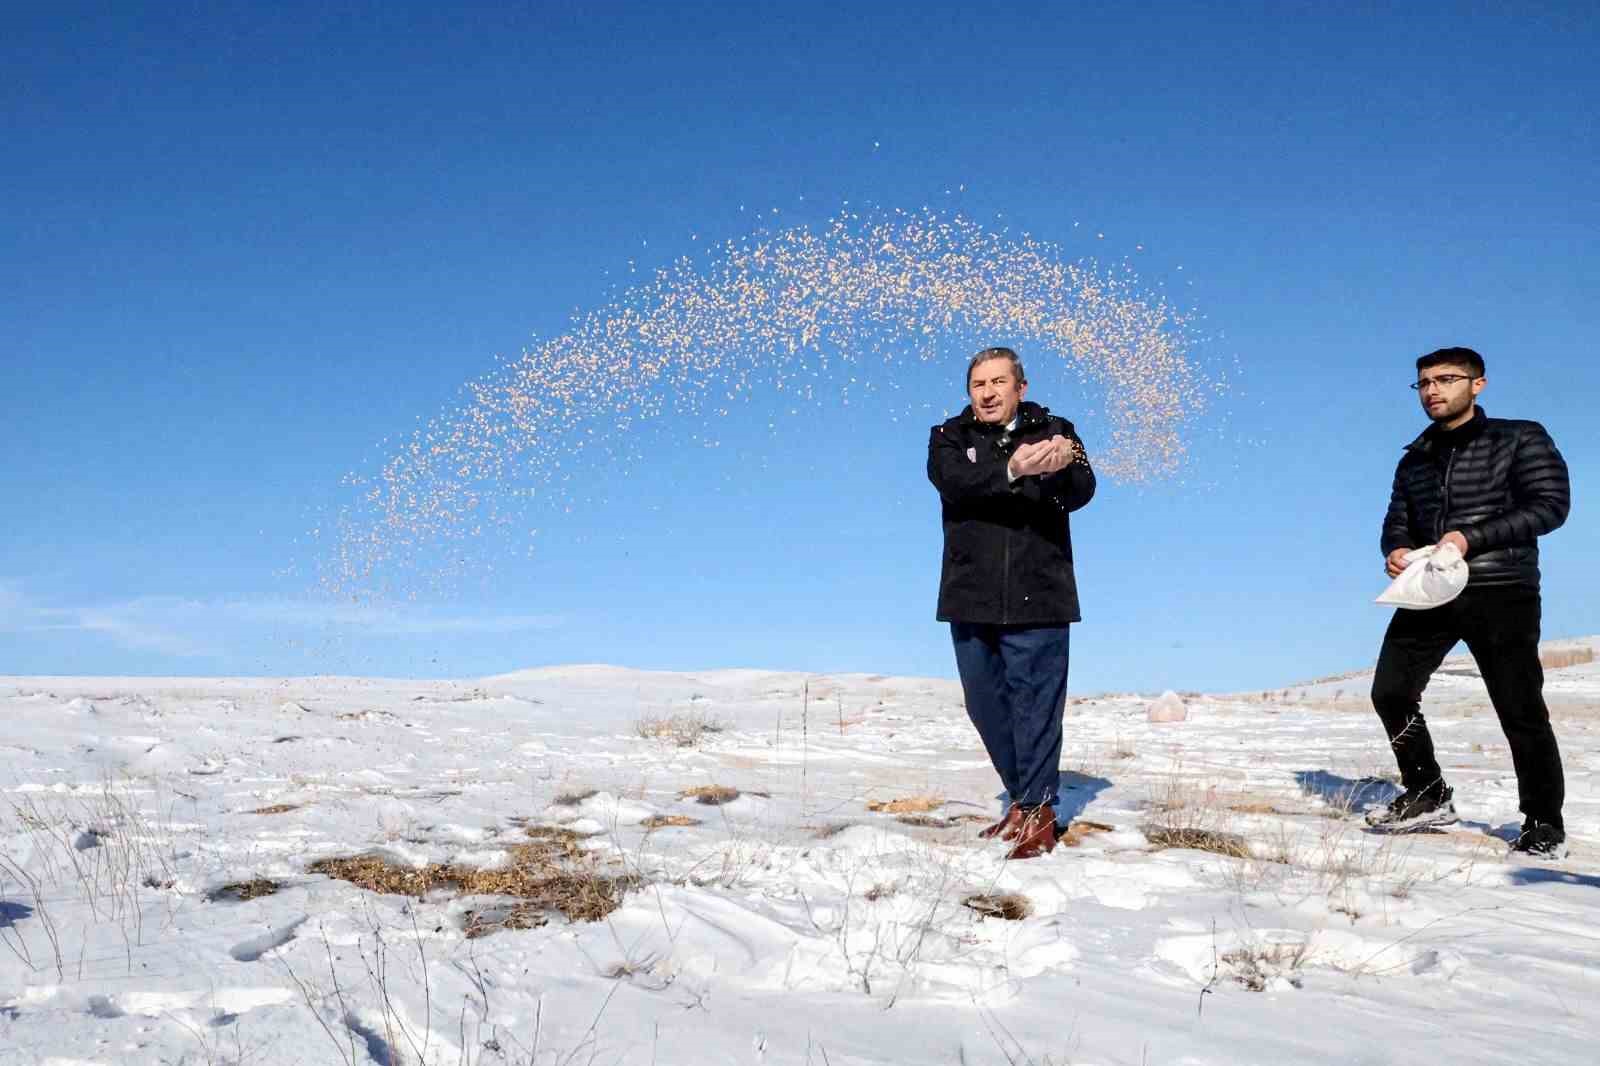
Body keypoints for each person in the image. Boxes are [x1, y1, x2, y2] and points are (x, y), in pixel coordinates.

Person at [1365, 346, 1571, 859]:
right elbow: (1398, 518)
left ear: (1478, 384)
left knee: (1519, 706)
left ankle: (1544, 822)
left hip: (1502, 589)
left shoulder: (1520, 436)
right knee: (1390, 691)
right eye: (1424, 383)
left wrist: (1468, 538)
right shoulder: (1414, 456)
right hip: (1429, 589)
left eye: (1446, 379)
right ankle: (1427, 792)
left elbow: (1549, 506)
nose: (1433, 390)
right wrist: (1394, 550)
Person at [927, 346, 1096, 859]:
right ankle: (1022, 795)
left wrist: (1062, 467)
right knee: (985, 703)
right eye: (979, 384)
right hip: (970, 593)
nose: (989, 392)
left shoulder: (1058, 428)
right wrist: (1013, 470)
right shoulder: (947, 438)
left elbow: (1084, 487)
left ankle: (1039, 809)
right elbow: (954, 484)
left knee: (1036, 703)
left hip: (1040, 591)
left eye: (999, 382)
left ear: (1021, 387)